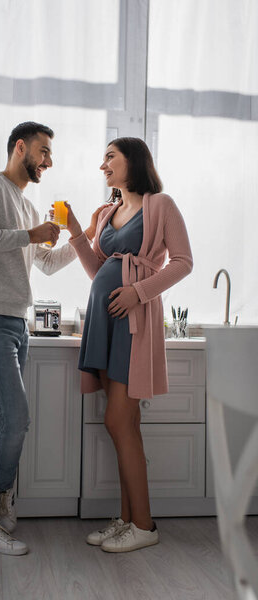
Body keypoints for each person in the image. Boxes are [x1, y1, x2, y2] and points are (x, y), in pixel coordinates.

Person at [0, 121, 101, 556]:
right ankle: (1, 496)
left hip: (16, 323)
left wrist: (84, 232)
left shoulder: (31, 207)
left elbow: (49, 263)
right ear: (20, 148)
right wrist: (30, 236)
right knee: (14, 418)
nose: (48, 161)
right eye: (43, 151)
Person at [65, 137, 193, 553]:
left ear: (132, 161)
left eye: (109, 157)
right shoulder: (106, 212)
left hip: (134, 324)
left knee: (119, 421)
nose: (102, 165)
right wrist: (74, 233)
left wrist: (138, 292)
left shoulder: (161, 205)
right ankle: (127, 520)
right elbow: (98, 270)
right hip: (104, 323)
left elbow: (183, 262)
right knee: (125, 426)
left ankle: (144, 524)